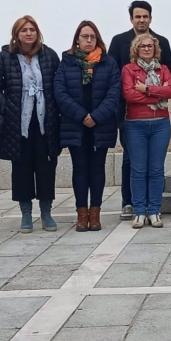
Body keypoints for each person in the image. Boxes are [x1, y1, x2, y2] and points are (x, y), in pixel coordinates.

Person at [0, 16, 61, 234]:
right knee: (21, 169)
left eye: (32, 29)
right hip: (17, 123)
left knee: (46, 167)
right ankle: (26, 213)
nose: (28, 33)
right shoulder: (5, 57)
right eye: (24, 30)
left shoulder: (49, 56)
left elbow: (58, 84)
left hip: (44, 122)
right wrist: (6, 108)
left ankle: (46, 212)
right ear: (16, 34)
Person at [108, 0, 171, 220]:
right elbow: (117, 81)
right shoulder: (119, 42)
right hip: (127, 114)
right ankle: (129, 203)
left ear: (150, 18)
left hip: (158, 117)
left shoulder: (161, 42)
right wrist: (153, 93)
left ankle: (153, 205)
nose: (141, 20)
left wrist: (148, 90)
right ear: (131, 19)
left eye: (145, 16)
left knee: (155, 165)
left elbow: (170, 82)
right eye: (137, 16)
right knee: (131, 160)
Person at [54, 21, 121, 232]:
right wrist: (83, 116)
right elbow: (60, 92)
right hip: (76, 125)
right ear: (77, 39)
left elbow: (114, 93)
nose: (89, 40)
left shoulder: (108, 63)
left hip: (100, 125)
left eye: (92, 36)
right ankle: (81, 214)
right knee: (80, 170)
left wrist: (96, 117)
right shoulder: (67, 62)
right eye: (85, 36)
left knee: (97, 170)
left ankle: (95, 213)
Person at [122, 34, 171, 229]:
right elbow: (129, 94)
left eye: (150, 46)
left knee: (156, 169)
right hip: (136, 124)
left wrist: (146, 88)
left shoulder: (164, 69)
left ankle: (154, 210)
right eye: (143, 46)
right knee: (138, 169)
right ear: (136, 48)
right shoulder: (129, 69)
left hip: (160, 124)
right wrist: (155, 96)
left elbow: (170, 91)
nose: (146, 49)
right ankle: (139, 211)